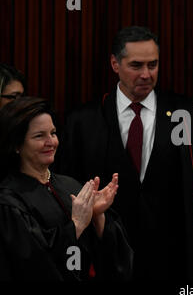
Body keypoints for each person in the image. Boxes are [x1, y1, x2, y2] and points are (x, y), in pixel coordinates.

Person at [55, 26, 193, 281]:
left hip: (173, 257)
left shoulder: (188, 115)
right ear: (115, 64)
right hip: (106, 258)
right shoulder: (83, 122)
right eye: (136, 65)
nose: (146, 74)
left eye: (153, 65)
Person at [0, 97, 133, 280]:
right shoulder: (9, 200)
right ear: (16, 145)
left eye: (53, 133)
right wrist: (76, 226)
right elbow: (31, 263)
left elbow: (113, 261)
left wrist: (97, 217)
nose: (51, 142)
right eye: (39, 136)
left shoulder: (70, 185)